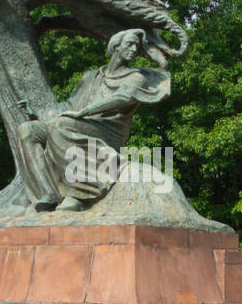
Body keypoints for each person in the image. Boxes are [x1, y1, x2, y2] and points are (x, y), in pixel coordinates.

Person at [16, 28, 169, 212]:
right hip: (79, 124)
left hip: (107, 130)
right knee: (27, 130)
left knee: (59, 126)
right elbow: (68, 108)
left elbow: (122, 98)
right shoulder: (90, 78)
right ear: (116, 47)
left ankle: (79, 193)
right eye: (130, 44)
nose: (134, 49)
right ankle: (47, 194)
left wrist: (84, 112)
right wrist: (37, 115)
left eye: (137, 46)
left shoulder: (136, 77)